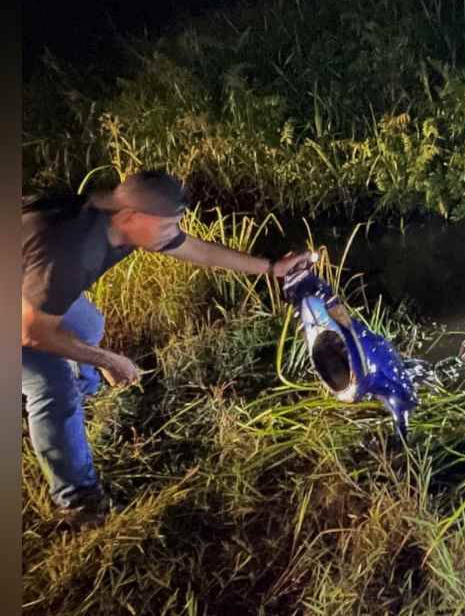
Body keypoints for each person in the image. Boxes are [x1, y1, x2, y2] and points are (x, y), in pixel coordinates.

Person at [21, 170, 314, 528]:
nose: (171, 234)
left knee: (87, 326)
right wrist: (108, 359)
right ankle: (77, 501)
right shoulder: (71, 251)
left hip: (24, 276)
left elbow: (196, 249)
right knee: (50, 386)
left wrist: (272, 269)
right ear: (130, 218)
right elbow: (33, 333)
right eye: (166, 226)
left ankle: (79, 405)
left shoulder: (119, 214)